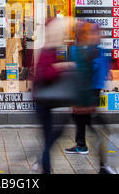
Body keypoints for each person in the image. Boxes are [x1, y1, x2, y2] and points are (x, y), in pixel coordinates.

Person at [64, 21, 117, 174]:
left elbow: (93, 70)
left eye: (95, 33)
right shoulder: (90, 49)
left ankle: (100, 162)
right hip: (86, 92)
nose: (94, 35)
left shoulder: (92, 50)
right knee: (82, 121)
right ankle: (82, 146)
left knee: (92, 126)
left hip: (91, 91)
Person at [33, 17, 75, 174]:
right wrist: (63, 66)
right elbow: (46, 74)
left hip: (45, 100)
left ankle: (43, 160)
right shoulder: (48, 50)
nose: (62, 34)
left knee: (51, 135)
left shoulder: (50, 48)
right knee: (50, 137)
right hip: (42, 100)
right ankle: (43, 162)